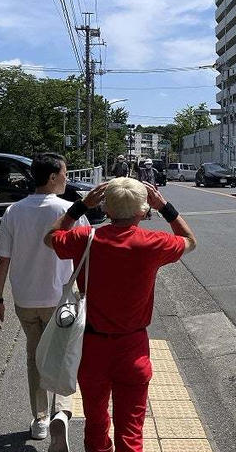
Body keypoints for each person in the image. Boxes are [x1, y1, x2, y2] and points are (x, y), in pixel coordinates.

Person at [43, 177, 196, 452]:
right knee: (131, 429)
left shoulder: (85, 238)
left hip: (91, 346)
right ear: (143, 211)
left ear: (105, 209)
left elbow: (50, 238)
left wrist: (80, 206)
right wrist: (164, 206)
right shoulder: (153, 243)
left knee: (96, 421)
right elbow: (189, 241)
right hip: (133, 347)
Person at [0, 152, 91, 450]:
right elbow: (86, 254)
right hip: (60, 298)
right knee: (64, 355)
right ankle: (61, 410)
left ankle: (39, 419)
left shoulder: (13, 211)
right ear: (51, 177)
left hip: (25, 299)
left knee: (35, 357)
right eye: (64, 173)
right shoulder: (69, 210)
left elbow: (2, 260)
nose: (66, 178)